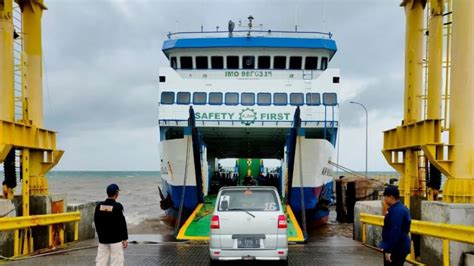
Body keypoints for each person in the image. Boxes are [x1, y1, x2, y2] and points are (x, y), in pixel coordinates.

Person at [94, 184, 128, 266]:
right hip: (116, 239)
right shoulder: (117, 207)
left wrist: (100, 235)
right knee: (117, 261)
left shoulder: (99, 206)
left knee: (101, 260)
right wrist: (125, 238)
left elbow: (96, 221)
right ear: (116, 194)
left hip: (103, 239)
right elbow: (122, 223)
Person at [379, 185, 411, 266]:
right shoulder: (400, 208)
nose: (384, 199)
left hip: (397, 248)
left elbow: (395, 231)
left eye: (385, 196)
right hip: (399, 246)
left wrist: (389, 250)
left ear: (391, 197)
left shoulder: (397, 211)